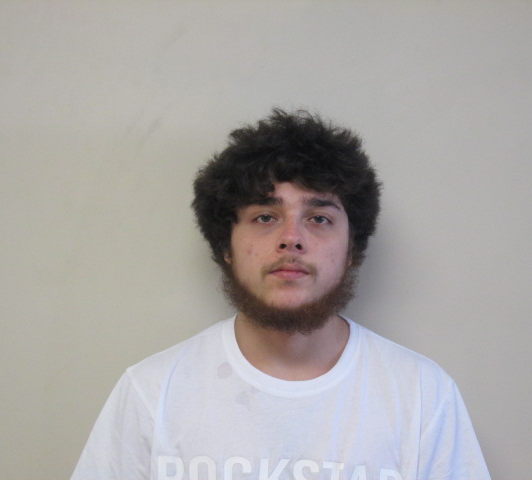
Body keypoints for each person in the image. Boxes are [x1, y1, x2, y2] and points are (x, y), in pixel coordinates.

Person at [71, 109, 491, 480]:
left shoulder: (422, 395)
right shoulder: (152, 392)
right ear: (226, 247)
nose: (291, 238)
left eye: (319, 218)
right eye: (265, 216)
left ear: (352, 249)